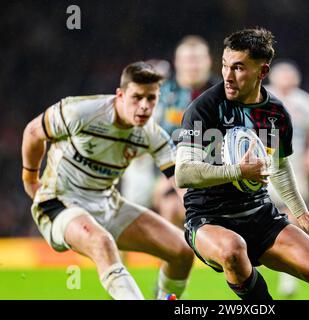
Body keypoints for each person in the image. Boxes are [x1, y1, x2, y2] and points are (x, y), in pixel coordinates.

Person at [175, 28, 309, 300]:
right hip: (208, 218)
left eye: (238, 68)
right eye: (225, 65)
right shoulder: (203, 108)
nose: (227, 75)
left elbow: (279, 166)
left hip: (259, 214)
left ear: (262, 72)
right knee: (232, 250)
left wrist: (302, 215)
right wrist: (237, 171)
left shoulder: (276, 113)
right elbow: (184, 173)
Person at [21, 61, 194, 300]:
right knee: (102, 242)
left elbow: (180, 181)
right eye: (137, 97)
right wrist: (30, 178)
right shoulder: (82, 111)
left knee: (182, 250)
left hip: (106, 203)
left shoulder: (151, 134)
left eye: (151, 99)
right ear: (120, 95)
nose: (144, 106)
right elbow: (33, 132)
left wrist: (202, 217)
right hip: (60, 202)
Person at [121, 35, 218, 228]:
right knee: (167, 204)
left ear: (209, 61)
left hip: (213, 173)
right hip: (164, 172)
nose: (193, 65)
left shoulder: (225, 94)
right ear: (177, 62)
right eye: (188, 60)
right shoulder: (159, 94)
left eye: (198, 59)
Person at [266, 60, 309, 297]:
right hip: (263, 161)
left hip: (293, 164)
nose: (286, 84)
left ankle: (288, 277)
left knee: (293, 217)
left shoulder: (305, 102)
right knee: (262, 214)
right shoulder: (263, 96)